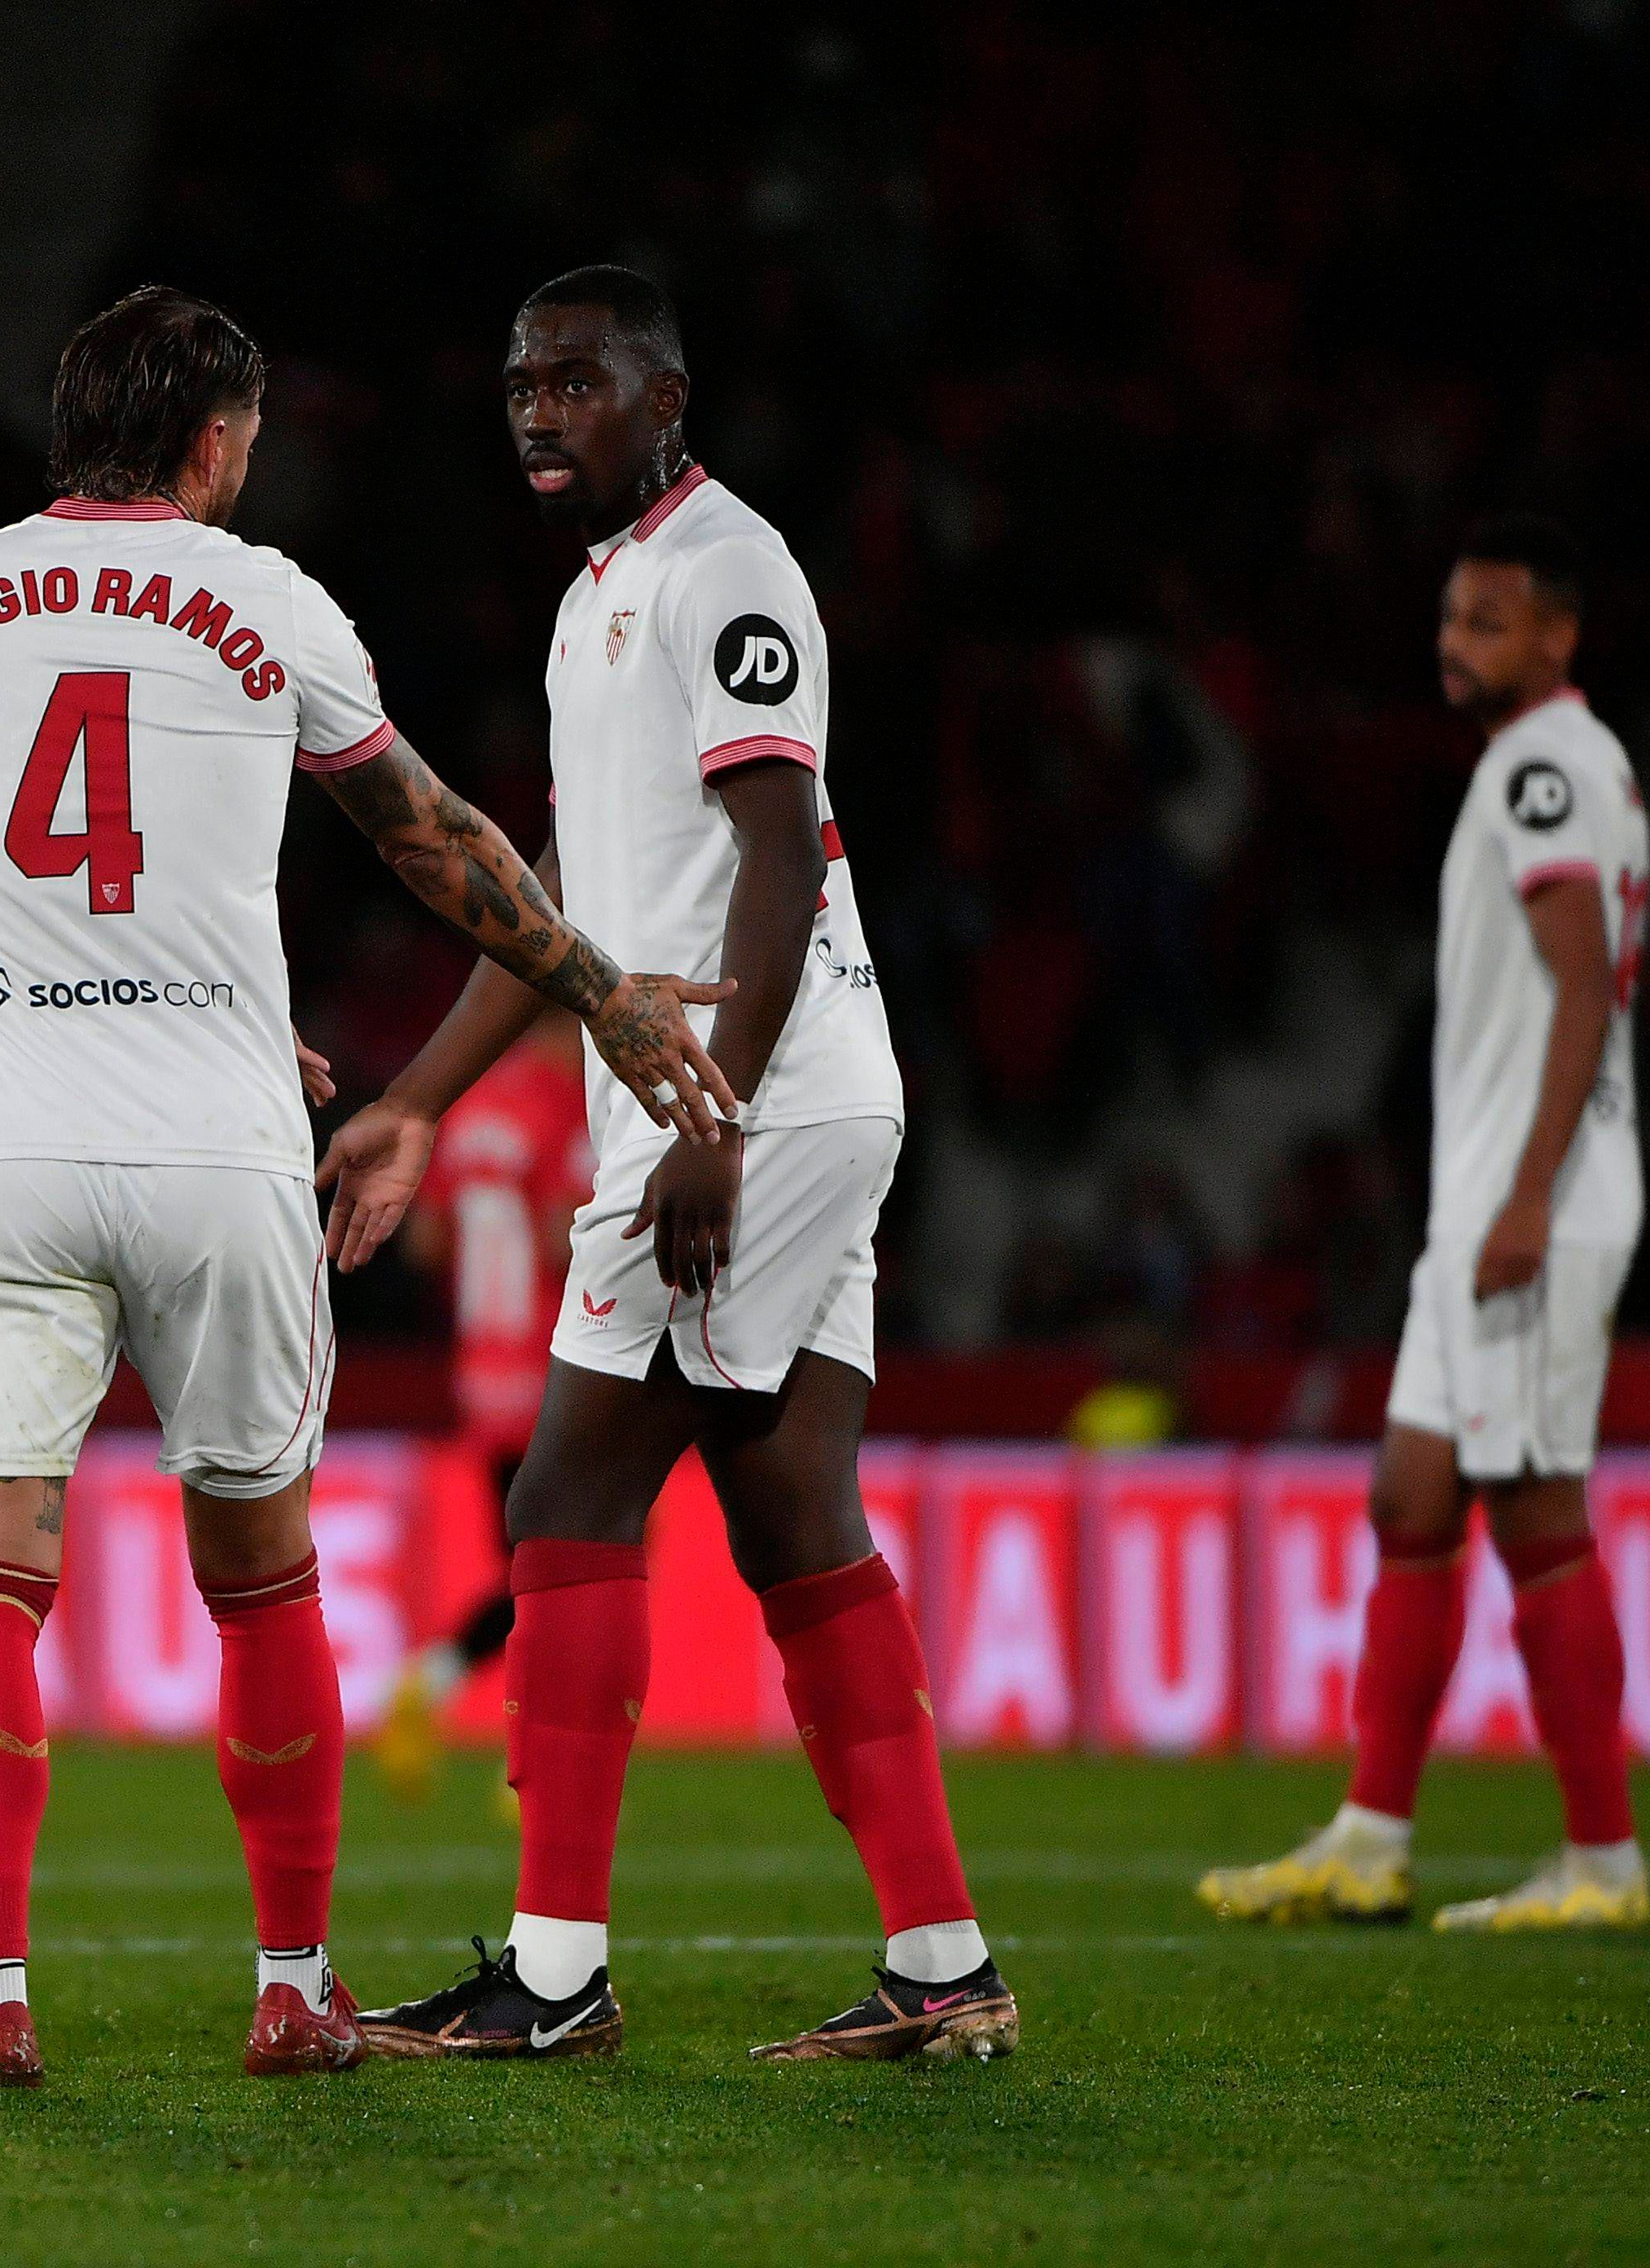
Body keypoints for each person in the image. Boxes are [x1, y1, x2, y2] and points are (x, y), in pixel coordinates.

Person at [0, 284, 737, 2090]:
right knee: (260, 1580)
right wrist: (596, 988)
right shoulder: (266, 601)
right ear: (207, 442)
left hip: (9, 1146)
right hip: (218, 1153)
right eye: (249, 442)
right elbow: (432, 838)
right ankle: (293, 1985)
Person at [323, 268, 1017, 2065]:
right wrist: (415, 1101)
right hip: (749, 1093)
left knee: (565, 1495)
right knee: (794, 1517)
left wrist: (713, 1116)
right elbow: (552, 926)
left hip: (751, 1096)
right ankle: (945, 1970)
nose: (540, 410)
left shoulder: (730, 573)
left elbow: (785, 855)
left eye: (577, 380)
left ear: (668, 395)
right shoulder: (597, 608)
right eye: (519, 383)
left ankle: (552, 1982)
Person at [1198, 514, 1650, 1932]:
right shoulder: (1548, 765)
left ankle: (1602, 1860)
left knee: (1531, 1507)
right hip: (1485, 1202)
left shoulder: (1543, 769)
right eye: (1451, 618)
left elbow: (1584, 986)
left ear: (1559, 633)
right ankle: (1369, 1836)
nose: (1458, 644)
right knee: (1413, 1493)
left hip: (1536, 1197)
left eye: (1491, 620)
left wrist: (1524, 1193)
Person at [372, 1014, 594, 1806]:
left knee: (533, 1568)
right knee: (582, 1566)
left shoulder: (467, 1111)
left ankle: (433, 1687)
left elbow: (427, 1243)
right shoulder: (570, 1103)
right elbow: (559, 1232)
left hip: (484, 1374)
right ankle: (536, 1760)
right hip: (559, 1368)